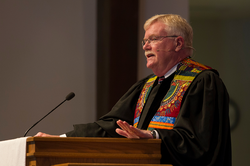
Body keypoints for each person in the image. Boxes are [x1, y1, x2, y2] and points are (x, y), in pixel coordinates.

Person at [35, 14, 231, 166]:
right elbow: (112, 127)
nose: (145, 46)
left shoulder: (203, 81)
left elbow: (199, 144)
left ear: (178, 43)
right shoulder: (147, 85)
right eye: (144, 41)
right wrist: (63, 140)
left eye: (153, 39)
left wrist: (153, 136)